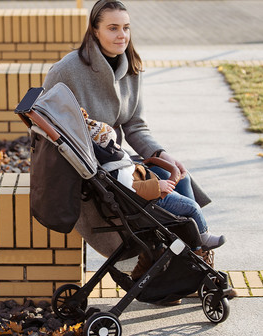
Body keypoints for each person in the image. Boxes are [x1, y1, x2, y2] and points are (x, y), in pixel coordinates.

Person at [42, 0, 210, 207]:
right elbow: (44, 126)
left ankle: (195, 237)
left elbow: (136, 126)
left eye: (126, 28)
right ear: (95, 30)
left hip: (117, 159)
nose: (122, 35)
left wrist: (161, 154)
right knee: (176, 204)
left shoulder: (132, 67)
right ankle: (193, 234)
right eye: (113, 28)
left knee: (177, 174)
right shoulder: (66, 71)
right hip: (87, 168)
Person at [81, 108, 226, 252]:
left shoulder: (114, 158)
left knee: (183, 178)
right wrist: (158, 186)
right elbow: (132, 188)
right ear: (106, 148)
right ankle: (201, 242)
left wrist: (159, 155)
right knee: (192, 207)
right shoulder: (115, 168)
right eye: (114, 143)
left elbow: (137, 128)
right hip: (151, 199)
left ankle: (186, 246)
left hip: (147, 188)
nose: (118, 145)